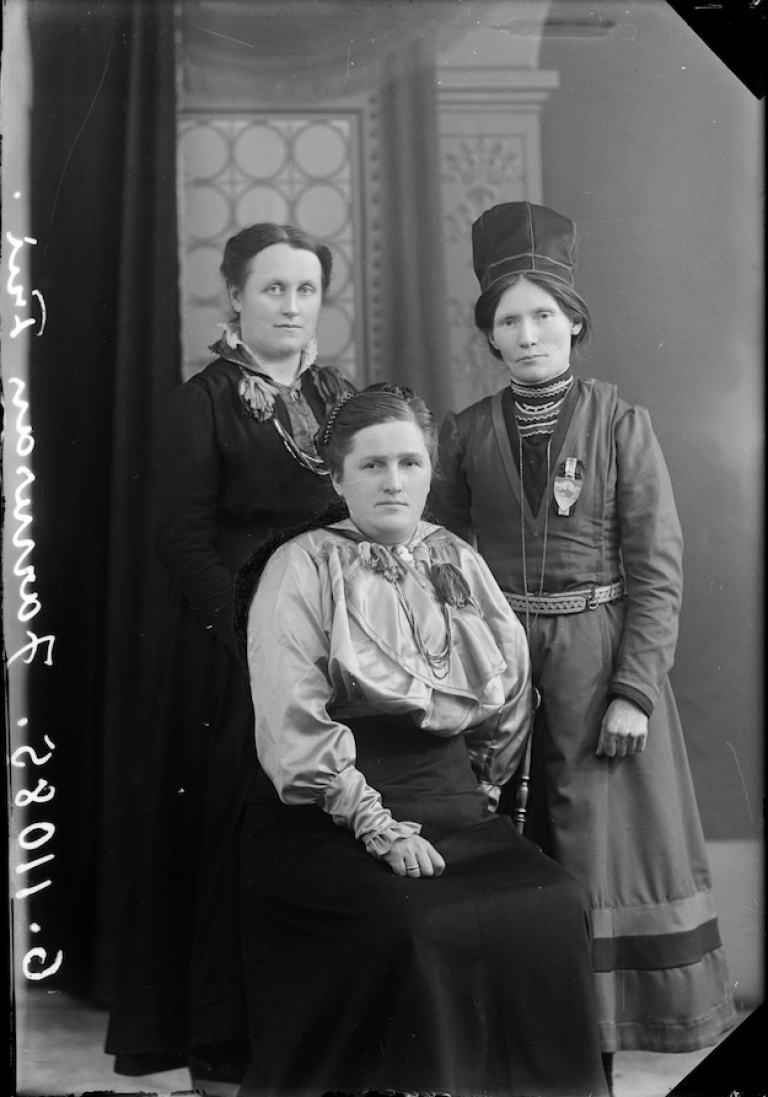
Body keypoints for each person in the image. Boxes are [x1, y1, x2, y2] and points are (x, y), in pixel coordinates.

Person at [429, 201, 736, 1092]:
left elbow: (657, 570)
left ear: (574, 323)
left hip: (599, 666)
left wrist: (635, 689)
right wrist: (466, 672)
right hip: (499, 672)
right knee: (507, 863)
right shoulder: (465, 434)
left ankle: (588, 1069)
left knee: (594, 868)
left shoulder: (621, 424)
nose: (526, 335)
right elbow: (442, 561)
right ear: (489, 335)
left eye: (541, 316)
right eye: (507, 320)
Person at [231, 384, 609, 1097]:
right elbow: (293, 720)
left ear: (431, 470)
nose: (394, 481)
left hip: (458, 809)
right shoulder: (302, 566)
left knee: (554, 902)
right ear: (337, 477)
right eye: (371, 465)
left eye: (409, 462)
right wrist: (378, 825)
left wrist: (483, 792)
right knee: (412, 924)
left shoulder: (455, 558)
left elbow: (505, 690)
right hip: (331, 819)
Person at [105, 223, 353, 1087]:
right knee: (237, 837)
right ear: (236, 299)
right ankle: (226, 1050)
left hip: (332, 647)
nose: (291, 304)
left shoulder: (336, 395)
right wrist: (258, 635)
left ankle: (311, 1041)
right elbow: (180, 539)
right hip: (230, 656)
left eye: (306, 290)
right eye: (273, 288)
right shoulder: (201, 401)